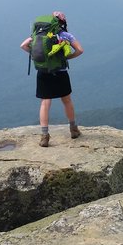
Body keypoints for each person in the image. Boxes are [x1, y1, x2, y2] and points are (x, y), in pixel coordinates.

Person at [20, 11, 84, 147]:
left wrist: (35, 55)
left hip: (43, 73)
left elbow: (23, 46)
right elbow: (80, 50)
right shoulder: (65, 35)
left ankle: (44, 136)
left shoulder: (38, 35)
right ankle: (73, 129)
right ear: (62, 22)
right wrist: (66, 57)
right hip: (60, 72)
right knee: (66, 100)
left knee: (45, 103)